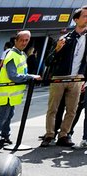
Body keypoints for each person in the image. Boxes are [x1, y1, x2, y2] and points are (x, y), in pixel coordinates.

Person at [41, 7, 87, 148]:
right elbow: (48, 61)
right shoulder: (65, 38)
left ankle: (64, 135)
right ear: (76, 19)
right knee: (53, 108)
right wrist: (56, 50)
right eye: (85, 16)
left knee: (72, 110)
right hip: (59, 78)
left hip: (77, 79)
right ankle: (49, 135)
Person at [0, 30, 40, 149]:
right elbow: (13, 76)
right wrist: (30, 77)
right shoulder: (12, 55)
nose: (24, 42)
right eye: (21, 40)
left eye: (26, 40)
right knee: (3, 116)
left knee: (9, 115)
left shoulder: (22, 54)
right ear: (15, 41)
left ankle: (5, 136)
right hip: (6, 92)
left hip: (12, 93)